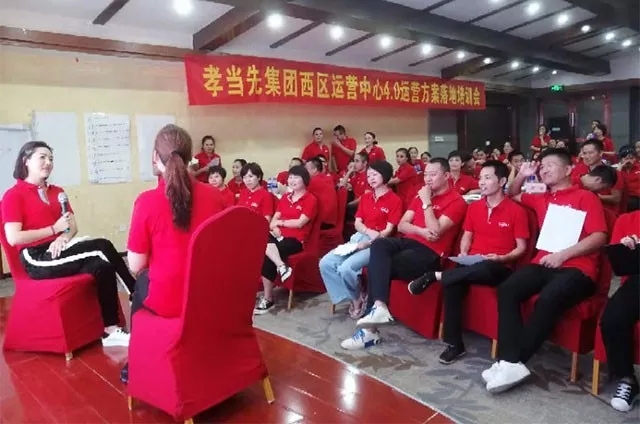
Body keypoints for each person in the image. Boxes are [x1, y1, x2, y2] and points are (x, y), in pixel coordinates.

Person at [484, 148, 608, 394]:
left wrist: (563, 255)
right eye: (542, 166)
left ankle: (513, 362)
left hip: (577, 268)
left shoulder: (585, 197)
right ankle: (509, 361)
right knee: (508, 289)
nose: (544, 169)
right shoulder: (542, 198)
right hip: (543, 263)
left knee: (548, 299)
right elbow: (512, 193)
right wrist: (522, 174)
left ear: (569, 169)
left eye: (551, 164)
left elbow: (600, 236)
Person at [2, 141, 135, 347]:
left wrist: (62, 238)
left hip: (60, 248)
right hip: (35, 258)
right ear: (26, 160)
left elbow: (72, 227)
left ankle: (110, 330)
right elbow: (13, 238)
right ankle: (135, 293)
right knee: (102, 246)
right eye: (42, 157)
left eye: (51, 159)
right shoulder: (13, 195)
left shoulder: (57, 192)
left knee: (103, 267)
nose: (48, 162)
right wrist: (53, 230)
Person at [121, 124, 225, 383]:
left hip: (172, 301)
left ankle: (138, 358)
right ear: (190, 158)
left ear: (155, 157)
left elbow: (135, 264)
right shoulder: (216, 197)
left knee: (141, 285)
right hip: (213, 295)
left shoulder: (147, 201)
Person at [408, 161, 529, 364]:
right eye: (480, 178)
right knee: (452, 283)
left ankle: (435, 276)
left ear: (501, 181)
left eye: (487, 178)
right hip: (472, 262)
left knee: (484, 267)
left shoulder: (516, 211)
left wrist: (502, 258)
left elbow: (521, 248)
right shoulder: (474, 208)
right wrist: (464, 252)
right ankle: (454, 344)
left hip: (499, 266)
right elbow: (467, 236)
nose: (481, 182)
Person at [340, 158, 467, 350]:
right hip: (410, 242)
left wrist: (426, 203)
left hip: (430, 254)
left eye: (433, 174)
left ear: (447, 175)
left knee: (379, 265)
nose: (428, 179)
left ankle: (369, 331)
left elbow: (436, 231)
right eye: (426, 174)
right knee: (380, 245)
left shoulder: (456, 201)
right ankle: (380, 307)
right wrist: (421, 231)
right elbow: (402, 225)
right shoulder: (421, 195)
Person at [319, 161, 402, 319]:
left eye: (375, 175)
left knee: (346, 268)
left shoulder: (395, 200)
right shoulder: (366, 197)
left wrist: (370, 241)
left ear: (385, 175)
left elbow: (388, 230)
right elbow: (358, 223)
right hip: (359, 238)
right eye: (369, 175)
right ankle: (355, 296)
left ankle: (356, 297)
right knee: (325, 262)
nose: (371, 178)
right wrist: (367, 232)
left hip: (378, 244)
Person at [255, 166, 318, 314]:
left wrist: (280, 223)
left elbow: (300, 223)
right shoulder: (285, 197)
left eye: (296, 177)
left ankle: (268, 298)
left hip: (296, 240)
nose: (292, 180)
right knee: (262, 241)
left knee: (266, 253)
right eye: (290, 177)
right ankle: (282, 266)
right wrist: (275, 227)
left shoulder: (310, 199)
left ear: (304, 180)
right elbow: (273, 221)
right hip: (278, 236)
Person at [599, 210, 639, 412]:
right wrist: (627, 249)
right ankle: (627, 379)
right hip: (637, 281)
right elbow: (618, 264)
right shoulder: (627, 220)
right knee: (612, 319)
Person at [306, 156, 338, 229]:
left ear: (314, 170)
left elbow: (300, 194)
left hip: (322, 222)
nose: (305, 172)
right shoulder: (328, 178)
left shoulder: (313, 181)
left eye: (306, 169)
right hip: (331, 220)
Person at [618, 144, 640, 212]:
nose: (628, 161)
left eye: (631, 158)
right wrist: (619, 170)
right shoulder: (617, 170)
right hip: (623, 200)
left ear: (635, 158)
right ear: (621, 159)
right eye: (626, 158)